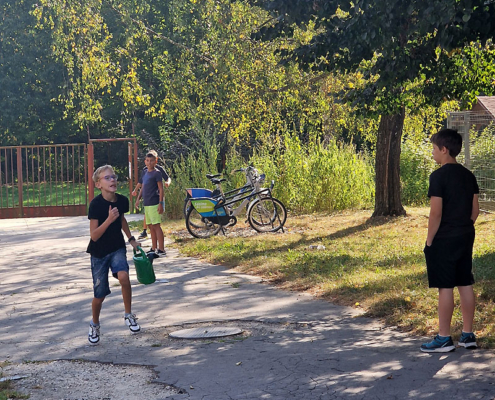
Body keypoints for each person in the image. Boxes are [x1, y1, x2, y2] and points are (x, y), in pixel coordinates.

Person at [421, 128, 479, 353]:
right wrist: (464, 227)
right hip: (466, 235)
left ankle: (444, 337)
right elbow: (475, 211)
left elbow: (435, 213)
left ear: (444, 150)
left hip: (444, 238)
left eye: (434, 149)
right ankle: (467, 334)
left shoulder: (438, 176)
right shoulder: (468, 175)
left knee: (445, 286)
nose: (433, 153)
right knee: (465, 282)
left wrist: (429, 240)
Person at [87, 165, 142, 345]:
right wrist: (109, 219)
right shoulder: (95, 205)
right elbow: (94, 236)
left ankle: (128, 315)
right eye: (107, 178)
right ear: (98, 184)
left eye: (114, 177)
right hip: (99, 253)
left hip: (117, 247)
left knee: (124, 277)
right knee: (100, 295)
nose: (112, 180)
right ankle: (95, 324)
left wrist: (131, 239)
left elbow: (122, 220)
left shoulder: (122, 201)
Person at [135, 150, 170, 257]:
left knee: (156, 226)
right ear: (145, 161)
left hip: (155, 203)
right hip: (147, 203)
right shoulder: (145, 172)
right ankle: (153, 248)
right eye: (147, 160)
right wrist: (138, 198)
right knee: (150, 226)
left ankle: (161, 249)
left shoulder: (157, 173)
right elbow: (143, 187)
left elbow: (161, 188)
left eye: (151, 161)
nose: (149, 163)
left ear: (156, 161)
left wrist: (161, 203)